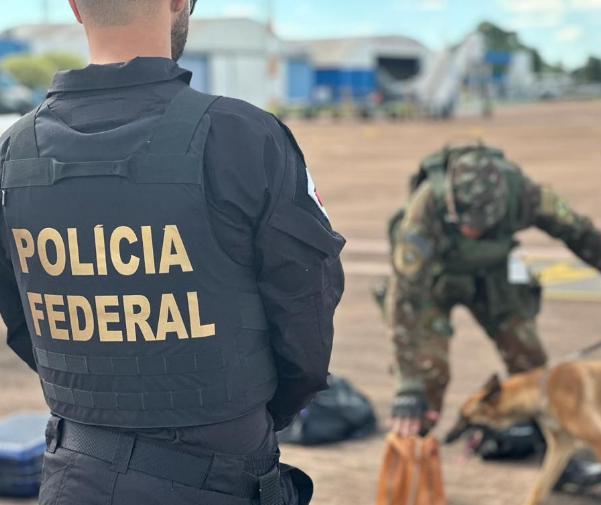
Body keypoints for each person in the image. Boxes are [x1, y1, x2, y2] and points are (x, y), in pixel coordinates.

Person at [0, 1, 345, 504]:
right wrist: (242, 417)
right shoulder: (244, 137)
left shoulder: (12, 156)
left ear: (74, 6)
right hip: (219, 476)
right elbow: (307, 316)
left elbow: (25, 321)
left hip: (74, 476)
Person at [385, 144, 601, 482]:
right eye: (464, 224)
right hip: (435, 281)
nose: (471, 232)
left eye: (481, 227)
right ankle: (413, 464)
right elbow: (405, 298)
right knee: (427, 375)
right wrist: (408, 384)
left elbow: (582, 233)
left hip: (493, 278)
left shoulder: (526, 195)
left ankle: (558, 459)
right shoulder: (425, 208)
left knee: (533, 366)